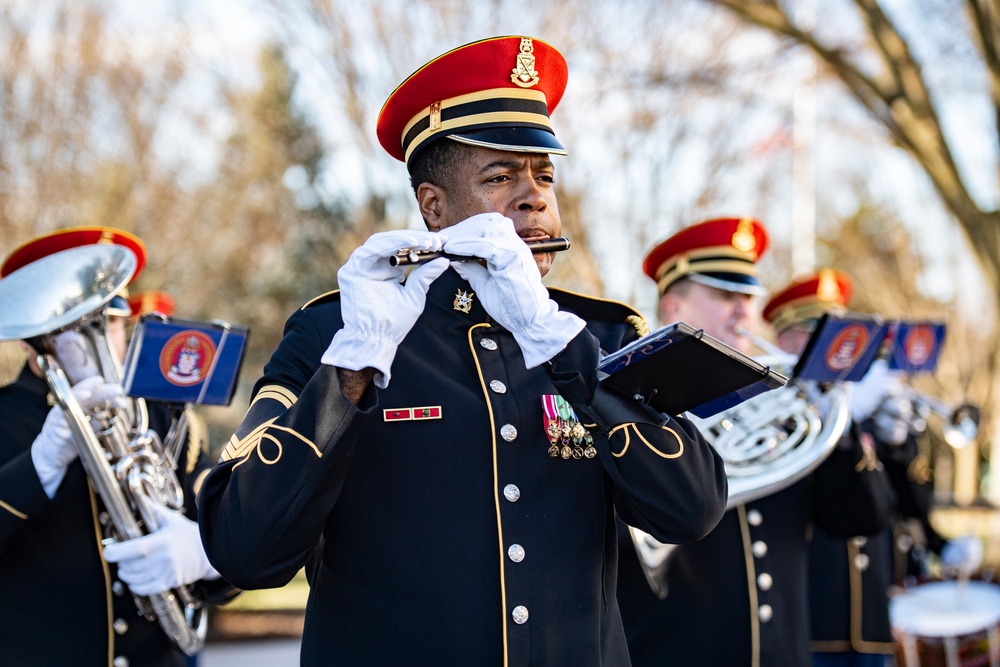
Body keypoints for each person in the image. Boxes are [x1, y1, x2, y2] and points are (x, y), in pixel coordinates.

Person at [197, 36, 728, 666]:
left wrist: (566, 353)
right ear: (434, 207)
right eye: (500, 177)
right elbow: (243, 547)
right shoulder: (335, 334)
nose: (534, 196)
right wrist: (351, 368)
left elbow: (691, 509)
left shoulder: (599, 337)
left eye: (544, 176)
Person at [616, 219, 892, 667]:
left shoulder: (782, 409)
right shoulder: (630, 402)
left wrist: (836, 422)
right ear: (673, 305)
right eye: (725, 296)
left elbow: (860, 518)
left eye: (746, 297)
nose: (743, 312)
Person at [0, 227, 236, 667]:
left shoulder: (161, 415)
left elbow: (223, 524)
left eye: (111, 319)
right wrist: (38, 466)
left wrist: (205, 554)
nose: (102, 338)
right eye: (73, 323)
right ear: (31, 334)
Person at [765, 270, 983, 667]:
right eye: (818, 332)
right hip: (812, 616)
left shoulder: (864, 408)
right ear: (785, 339)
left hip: (872, 617)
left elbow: (905, 499)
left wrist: (899, 446)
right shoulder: (779, 416)